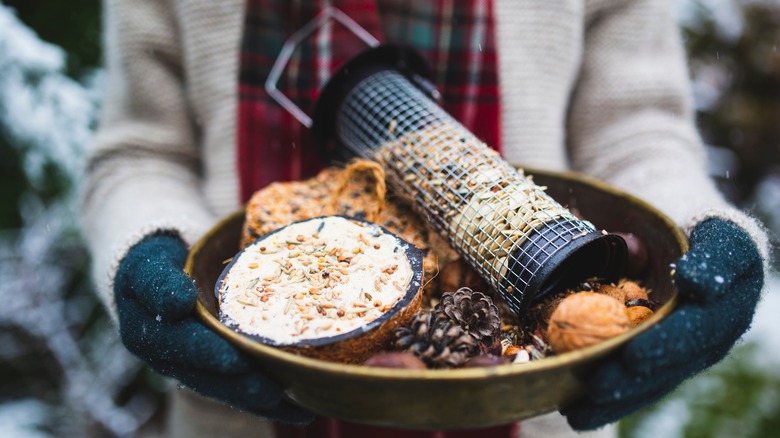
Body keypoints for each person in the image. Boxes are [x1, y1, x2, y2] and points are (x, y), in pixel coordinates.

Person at [80, 1, 769, 437]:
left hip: (529, 404)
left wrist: (702, 226)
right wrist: (149, 248)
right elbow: (141, 152)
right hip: (244, 408)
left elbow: (635, 131)